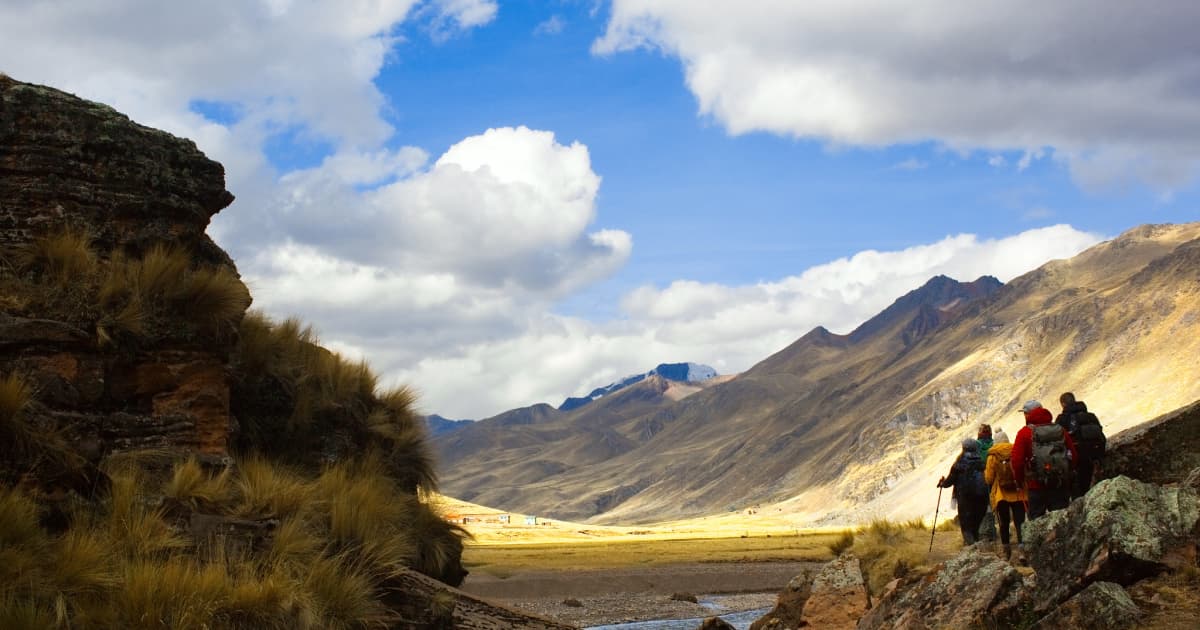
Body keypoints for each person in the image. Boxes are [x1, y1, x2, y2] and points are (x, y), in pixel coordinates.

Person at [1012, 400, 1077, 520]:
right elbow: (1072, 454)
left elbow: (1017, 461)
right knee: (1061, 520)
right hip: (1059, 483)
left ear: (1028, 415)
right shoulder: (1059, 430)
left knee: (1036, 524)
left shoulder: (1024, 433)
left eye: (1025, 413)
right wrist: (1066, 472)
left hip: (1036, 486)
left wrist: (1019, 481)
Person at [984, 429, 1027, 561]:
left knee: (1004, 523)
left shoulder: (992, 455)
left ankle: (1006, 553)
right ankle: (1022, 551)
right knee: (1020, 522)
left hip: (1000, 495)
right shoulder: (1014, 450)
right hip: (1018, 492)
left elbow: (989, 479)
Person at [938, 438, 990, 545]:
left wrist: (942, 483)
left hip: (965, 499)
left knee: (966, 526)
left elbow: (949, 482)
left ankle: (972, 549)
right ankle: (976, 546)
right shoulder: (982, 463)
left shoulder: (959, 464)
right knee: (976, 525)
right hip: (982, 498)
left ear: (964, 449)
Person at [1055, 392, 1106, 499]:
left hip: (1076, 461)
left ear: (1063, 404)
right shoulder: (1091, 416)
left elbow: (1057, 441)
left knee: (1078, 494)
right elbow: (1101, 436)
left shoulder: (1062, 419)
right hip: (1095, 457)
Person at [975, 424, 997, 542]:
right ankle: (993, 532)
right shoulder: (994, 443)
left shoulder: (976, 445)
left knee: (982, 506)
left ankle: (984, 534)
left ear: (980, 433)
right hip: (993, 478)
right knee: (992, 504)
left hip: (980, 479)